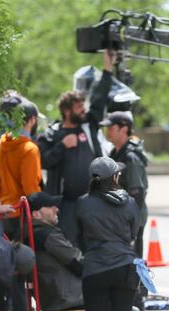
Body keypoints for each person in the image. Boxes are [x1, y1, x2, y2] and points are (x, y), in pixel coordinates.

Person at [75, 157, 140, 311]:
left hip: (95, 269)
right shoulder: (129, 202)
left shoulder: (83, 203)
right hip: (124, 267)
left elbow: (79, 237)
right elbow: (133, 233)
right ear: (114, 177)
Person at [38, 50, 116, 242]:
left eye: (83, 106)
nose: (83, 110)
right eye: (79, 107)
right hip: (66, 205)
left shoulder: (88, 125)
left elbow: (99, 99)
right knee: (71, 244)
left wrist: (107, 69)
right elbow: (43, 161)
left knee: (93, 243)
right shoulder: (53, 134)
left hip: (93, 200)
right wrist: (62, 146)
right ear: (66, 111)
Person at [0, 93, 41, 311]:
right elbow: (31, 189)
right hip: (22, 216)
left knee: (5, 271)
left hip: (5, 214)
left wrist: (6, 200)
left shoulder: (2, 145)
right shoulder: (29, 149)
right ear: (31, 120)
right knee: (22, 271)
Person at [101, 111, 149, 311]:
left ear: (124, 129)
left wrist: (131, 223)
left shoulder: (131, 157)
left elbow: (137, 194)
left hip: (131, 218)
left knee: (134, 260)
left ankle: (138, 303)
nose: (107, 131)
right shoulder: (115, 153)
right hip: (118, 217)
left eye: (111, 127)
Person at [26, 192, 84, 311]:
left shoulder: (28, 234)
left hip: (50, 298)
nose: (56, 209)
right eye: (50, 206)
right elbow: (78, 263)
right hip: (70, 298)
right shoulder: (48, 236)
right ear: (36, 214)